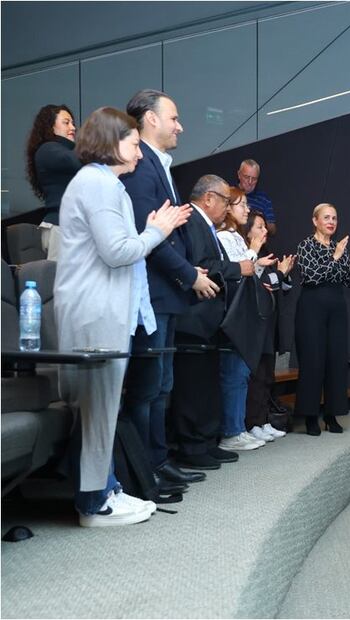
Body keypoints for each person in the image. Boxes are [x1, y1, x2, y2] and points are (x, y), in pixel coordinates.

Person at [55, 106, 189, 526]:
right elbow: (118, 252)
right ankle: (94, 503)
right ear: (112, 144)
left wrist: (148, 231)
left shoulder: (103, 183)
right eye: (133, 144)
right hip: (95, 310)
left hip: (104, 309)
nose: (139, 153)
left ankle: (106, 488)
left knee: (104, 408)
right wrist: (158, 231)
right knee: (98, 408)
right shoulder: (97, 184)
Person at [121, 89, 219, 488]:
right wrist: (190, 276)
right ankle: (144, 472)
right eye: (174, 118)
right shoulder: (141, 167)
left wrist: (187, 269)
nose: (180, 126)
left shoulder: (156, 165)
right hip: (152, 293)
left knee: (161, 386)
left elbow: (167, 235)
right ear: (150, 118)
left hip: (165, 293)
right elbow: (151, 236)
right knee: (147, 388)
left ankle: (158, 463)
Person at [171, 175, 252, 469]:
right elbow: (202, 265)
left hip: (208, 319)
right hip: (193, 318)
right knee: (193, 387)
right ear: (209, 198)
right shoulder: (192, 221)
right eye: (226, 201)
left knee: (206, 385)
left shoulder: (205, 225)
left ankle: (206, 441)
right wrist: (238, 268)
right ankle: (192, 447)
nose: (228, 208)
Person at [215, 187, 290, 450]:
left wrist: (257, 261)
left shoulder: (235, 237)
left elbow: (248, 272)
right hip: (235, 317)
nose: (246, 209)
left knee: (243, 374)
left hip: (249, 316)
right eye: (242, 205)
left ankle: (240, 427)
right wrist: (254, 252)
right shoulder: (223, 237)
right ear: (227, 207)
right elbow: (239, 273)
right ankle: (233, 429)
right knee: (235, 375)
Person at [294, 204, 350, 435]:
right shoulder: (306, 245)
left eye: (334, 218)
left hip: (336, 308)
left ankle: (331, 415)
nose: (331, 222)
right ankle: (310, 417)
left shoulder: (339, 247)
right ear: (315, 221)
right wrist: (335, 258)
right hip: (312, 307)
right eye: (326, 217)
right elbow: (312, 276)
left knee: (336, 360)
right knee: (313, 360)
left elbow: (349, 282)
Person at [244, 210, 294, 439]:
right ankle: (252, 422)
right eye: (259, 227)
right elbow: (266, 283)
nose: (265, 231)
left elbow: (280, 285)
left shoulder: (266, 253)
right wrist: (279, 274)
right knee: (256, 376)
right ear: (248, 232)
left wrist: (284, 273)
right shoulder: (247, 255)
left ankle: (263, 420)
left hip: (270, 323)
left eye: (265, 226)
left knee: (267, 375)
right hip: (254, 323)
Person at [25, 103, 82, 259]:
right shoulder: (48, 149)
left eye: (72, 123)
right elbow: (75, 162)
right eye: (66, 122)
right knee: (60, 274)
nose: (73, 127)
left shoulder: (65, 151)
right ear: (51, 126)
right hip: (60, 227)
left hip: (68, 226)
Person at [237, 159, 276, 236]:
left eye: (254, 178)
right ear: (239, 175)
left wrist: (260, 219)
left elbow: (273, 230)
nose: (250, 182)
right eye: (246, 177)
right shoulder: (229, 194)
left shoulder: (264, 198)